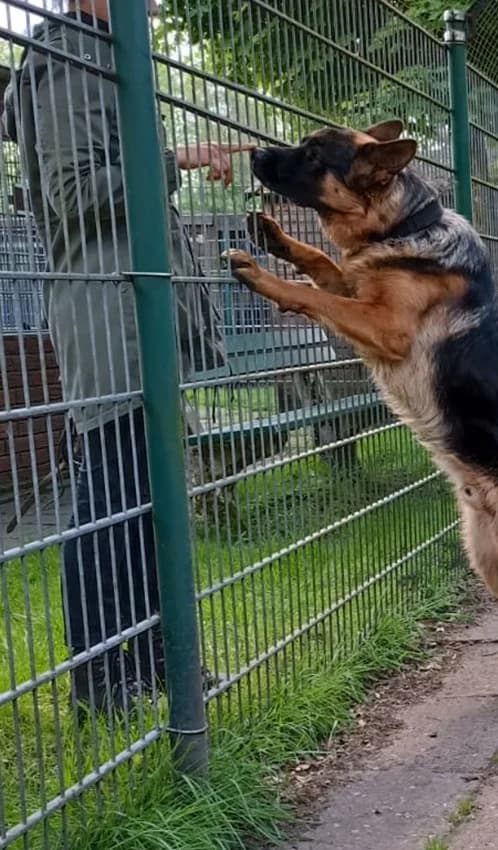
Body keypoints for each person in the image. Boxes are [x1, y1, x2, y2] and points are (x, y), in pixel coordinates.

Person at [3, 0, 240, 717]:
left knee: (148, 499)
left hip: (135, 313)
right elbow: (73, 195)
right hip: (108, 318)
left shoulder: (105, 52)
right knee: (114, 501)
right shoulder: (71, 58)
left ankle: (160, 664)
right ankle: (104, 683)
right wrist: (172, 162)